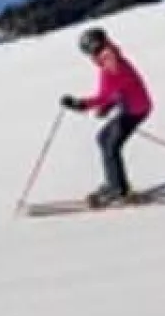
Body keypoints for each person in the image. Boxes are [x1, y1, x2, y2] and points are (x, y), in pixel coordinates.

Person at [61, 27, 154, 206]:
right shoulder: (110, 58)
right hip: (135, 106)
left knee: (111, 146)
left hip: (134, 110)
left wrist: (79, 104)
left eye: (87, 49)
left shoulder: (110, 63)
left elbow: (104, 94)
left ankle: (118, 189)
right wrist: (108, 105)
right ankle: (115, 183)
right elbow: (120, 88)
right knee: (104, 138)